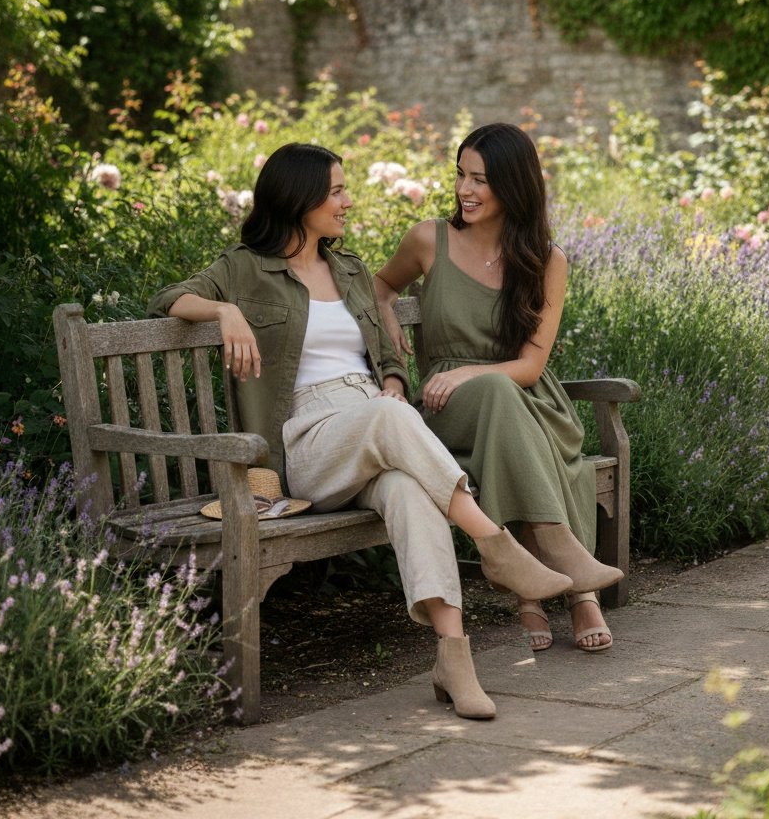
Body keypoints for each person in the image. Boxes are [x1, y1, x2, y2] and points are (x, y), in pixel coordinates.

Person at [148, 142, 574, 721]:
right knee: (391, 419)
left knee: (409, 489)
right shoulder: (245, 267)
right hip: (305, 439)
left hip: (372, 420)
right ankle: (494, 544)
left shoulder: (348, 271)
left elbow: (384, 358)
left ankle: (455, 660)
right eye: (337, 192)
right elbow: (170, 297)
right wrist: (225, 311)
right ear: (299, 200)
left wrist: (394, 382)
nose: (348, 201)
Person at [375, 123, 623, 654]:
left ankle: (534, 594)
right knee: (498, 399)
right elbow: (375, 288)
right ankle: (574, 578)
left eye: (480, 180)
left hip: (526, 399)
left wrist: (472, 372)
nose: (464, 190)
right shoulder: (428, 240)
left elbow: (531, 366)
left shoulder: (547, 261)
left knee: (505, 400)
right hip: (446, 406)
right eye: (460, 175)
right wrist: (387, 316)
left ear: (513, 186)